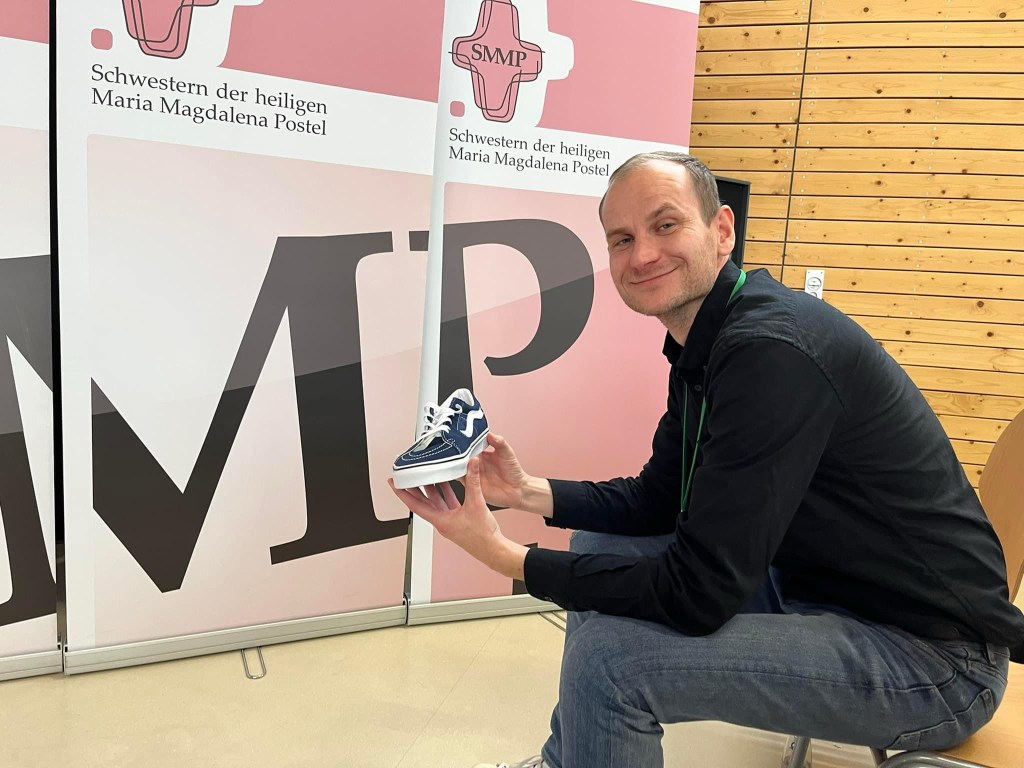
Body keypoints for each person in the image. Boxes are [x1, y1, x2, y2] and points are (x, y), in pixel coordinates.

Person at [389, 152, 1024, 768]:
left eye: (665, 225)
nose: (642, 254)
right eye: (622, 239)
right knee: (597, 543)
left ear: (722, 230)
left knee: (609, 664)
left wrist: (507, 558)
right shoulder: (709, 340)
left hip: (933, 659)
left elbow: (698, 593)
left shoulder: (772, 352)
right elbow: (658, 501)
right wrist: (526, 491)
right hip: (820, 587)